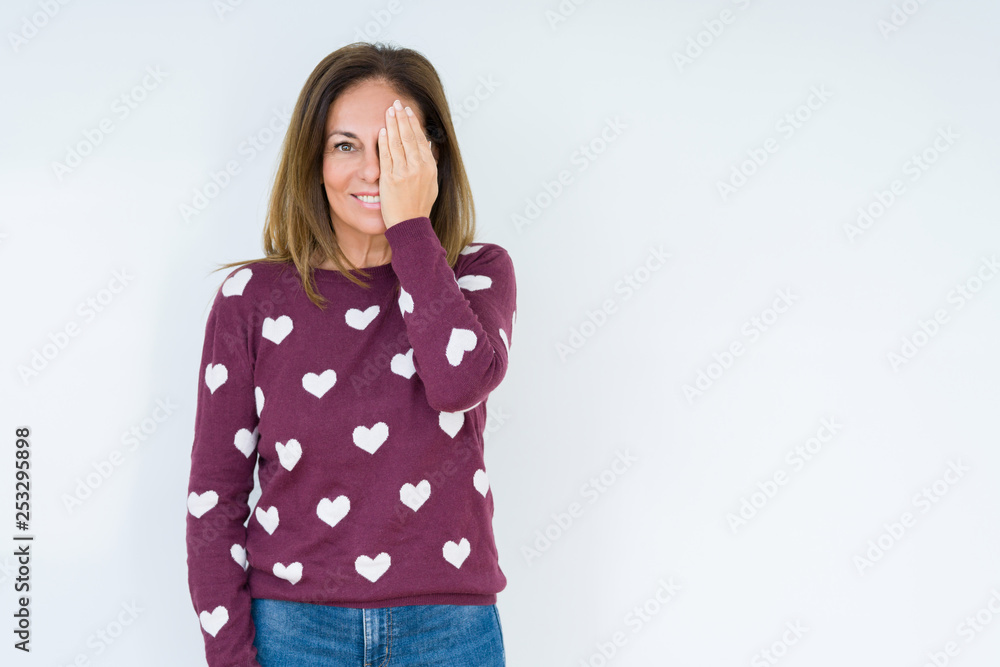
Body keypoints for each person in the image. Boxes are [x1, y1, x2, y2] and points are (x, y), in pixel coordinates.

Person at [185, 41, 516, 666]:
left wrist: (412, 229)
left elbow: (457, 381)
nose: (372, 171)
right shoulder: (250, 299)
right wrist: (232, 658)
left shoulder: (478, 275)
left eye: (395, 147)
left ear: (430, 159)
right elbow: (214, 499)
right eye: (346, 145)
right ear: (313, 160)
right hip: (294, 630)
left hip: (450, 629)